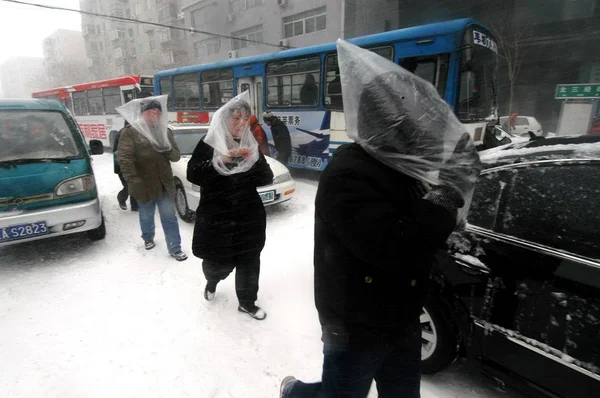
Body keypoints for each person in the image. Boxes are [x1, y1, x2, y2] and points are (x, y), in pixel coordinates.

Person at [280, 40, 480, 398]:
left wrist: (454, 195)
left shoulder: (403, 167)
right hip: (356, 323)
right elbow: (396, 247)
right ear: (391, 126)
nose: (424, 132)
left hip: (402, 316)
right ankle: (295, 393)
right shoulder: (350, 174)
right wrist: (449, 191)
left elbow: (424, 225)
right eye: (416, 124)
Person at [187, 94, 273, 320]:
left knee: (249, 261)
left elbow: (266, 177)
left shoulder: (249, 144)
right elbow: (193, 173)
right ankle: (212, 281)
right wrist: (221, 161)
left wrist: (252, 161)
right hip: (218, 218)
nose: (241, 123)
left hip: (248, 217)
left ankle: (247, 302)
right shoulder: (209, 143)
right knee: (219, 264)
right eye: (236, 118)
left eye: (245, 119)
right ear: (224, 119)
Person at [117, 98, 188, 261]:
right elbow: (125, 159)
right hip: (144, 184)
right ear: (143, 114)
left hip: (164, 183)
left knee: (169, 216)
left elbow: (176, 157)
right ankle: (147, 237)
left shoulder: (165, 132)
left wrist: (167, 149)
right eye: (151, 112)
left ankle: (175, 248)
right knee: (146, 214)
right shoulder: (131, 132)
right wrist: (133, 180)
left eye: (158, 112)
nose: (155, 116)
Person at [113, 120, 138, 211]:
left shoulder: (136, 133)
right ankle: (121, 199)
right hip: (122, 165)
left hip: (134, 164)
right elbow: (118, 152)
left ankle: (135, 206)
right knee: (129, 186)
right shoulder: (122, 134)